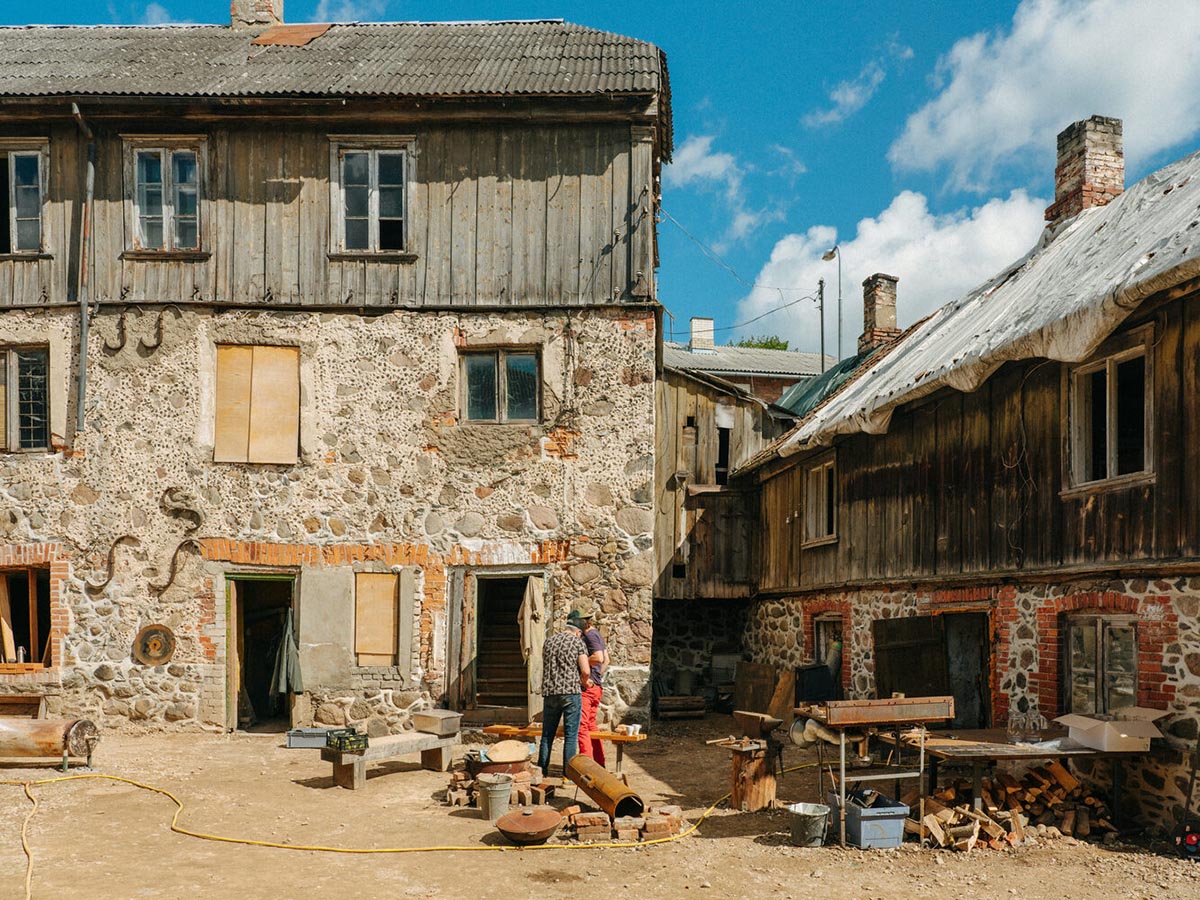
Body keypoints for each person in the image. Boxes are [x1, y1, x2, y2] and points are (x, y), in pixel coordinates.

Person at [535, 612, 591, 777]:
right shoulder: (577, 642)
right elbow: (586, 670)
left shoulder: (549, 641)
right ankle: (568, 776)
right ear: (578, 632)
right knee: (571, 736)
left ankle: (542, 772)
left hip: (550, 691)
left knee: (547, 735)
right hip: (570, 692)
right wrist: (584, 681)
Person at [574, 608, 608, 766]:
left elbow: (599, 658)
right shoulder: (597, 634)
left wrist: (582, 663)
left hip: (588, 687)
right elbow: (607, 660)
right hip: (596, 686)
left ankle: (586, 766)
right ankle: (600, 764)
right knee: (591, 725)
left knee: (582, 727)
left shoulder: (589, 634)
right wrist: (598, 677)